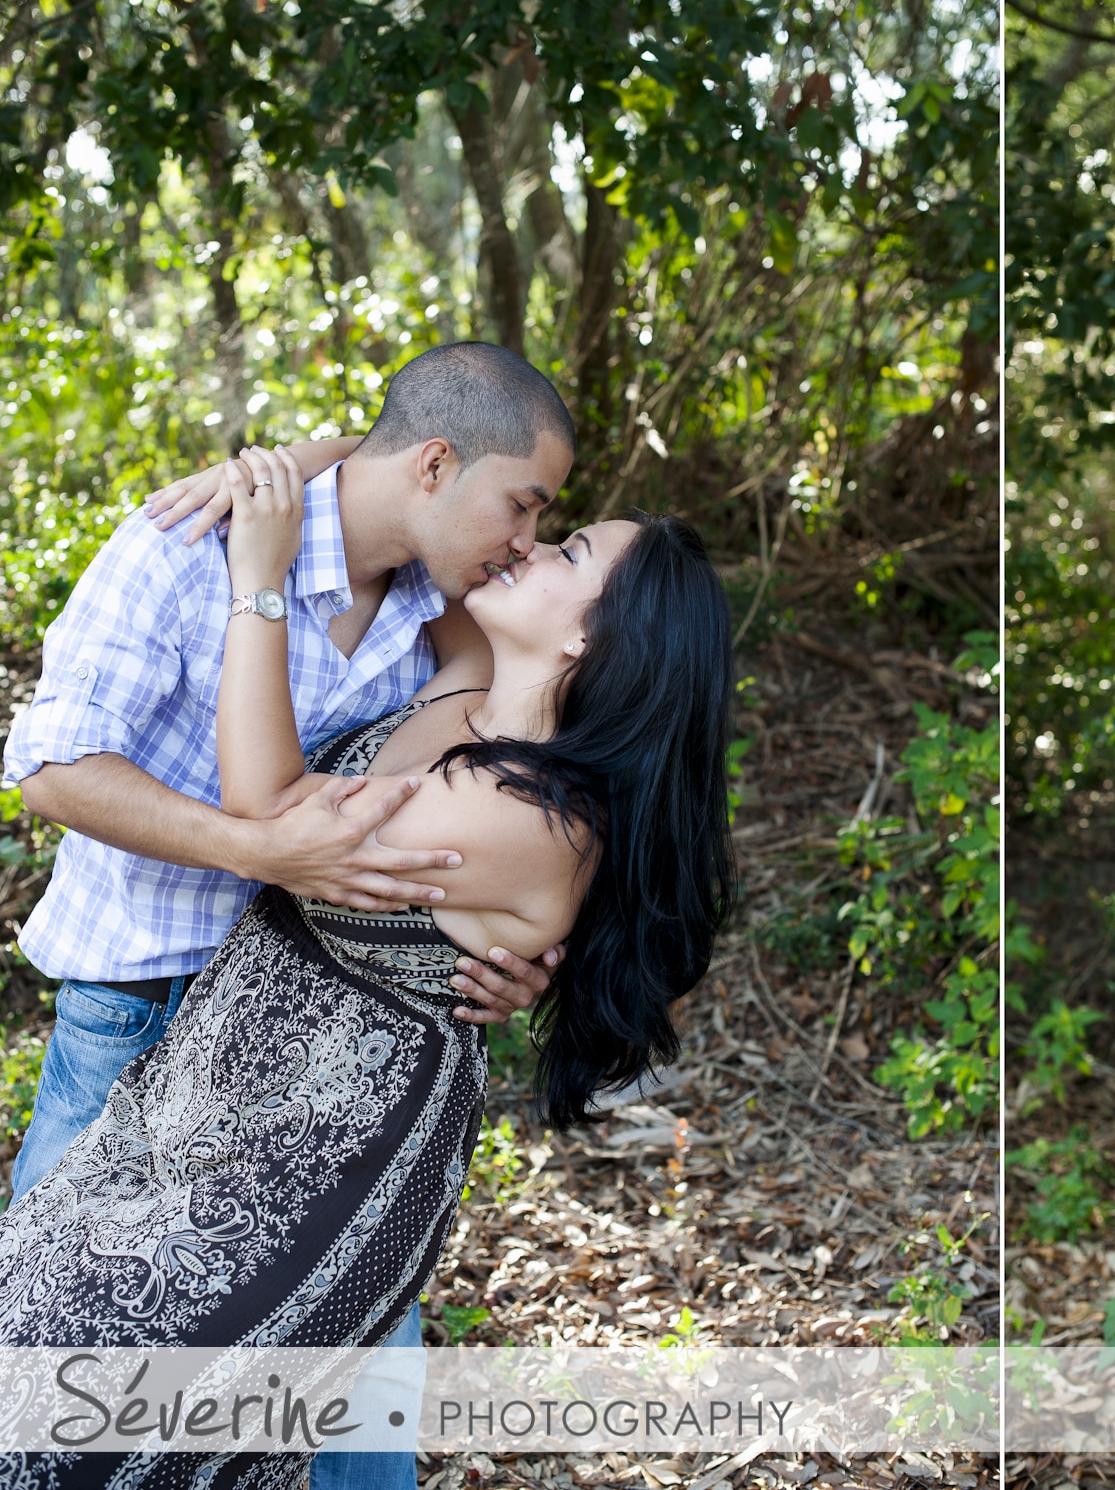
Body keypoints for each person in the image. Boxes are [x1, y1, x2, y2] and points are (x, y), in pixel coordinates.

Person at [0, 439, 736, 1488]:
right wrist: (296, 462)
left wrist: (259, 581)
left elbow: (273, 814)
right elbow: (418, 465)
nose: (526, 543)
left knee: (113, 1438)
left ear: (587, 637)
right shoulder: (473, 688)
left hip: (313, 1166)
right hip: (196, 1107)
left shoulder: (526, 813)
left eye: (562, 546)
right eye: (535, 517)